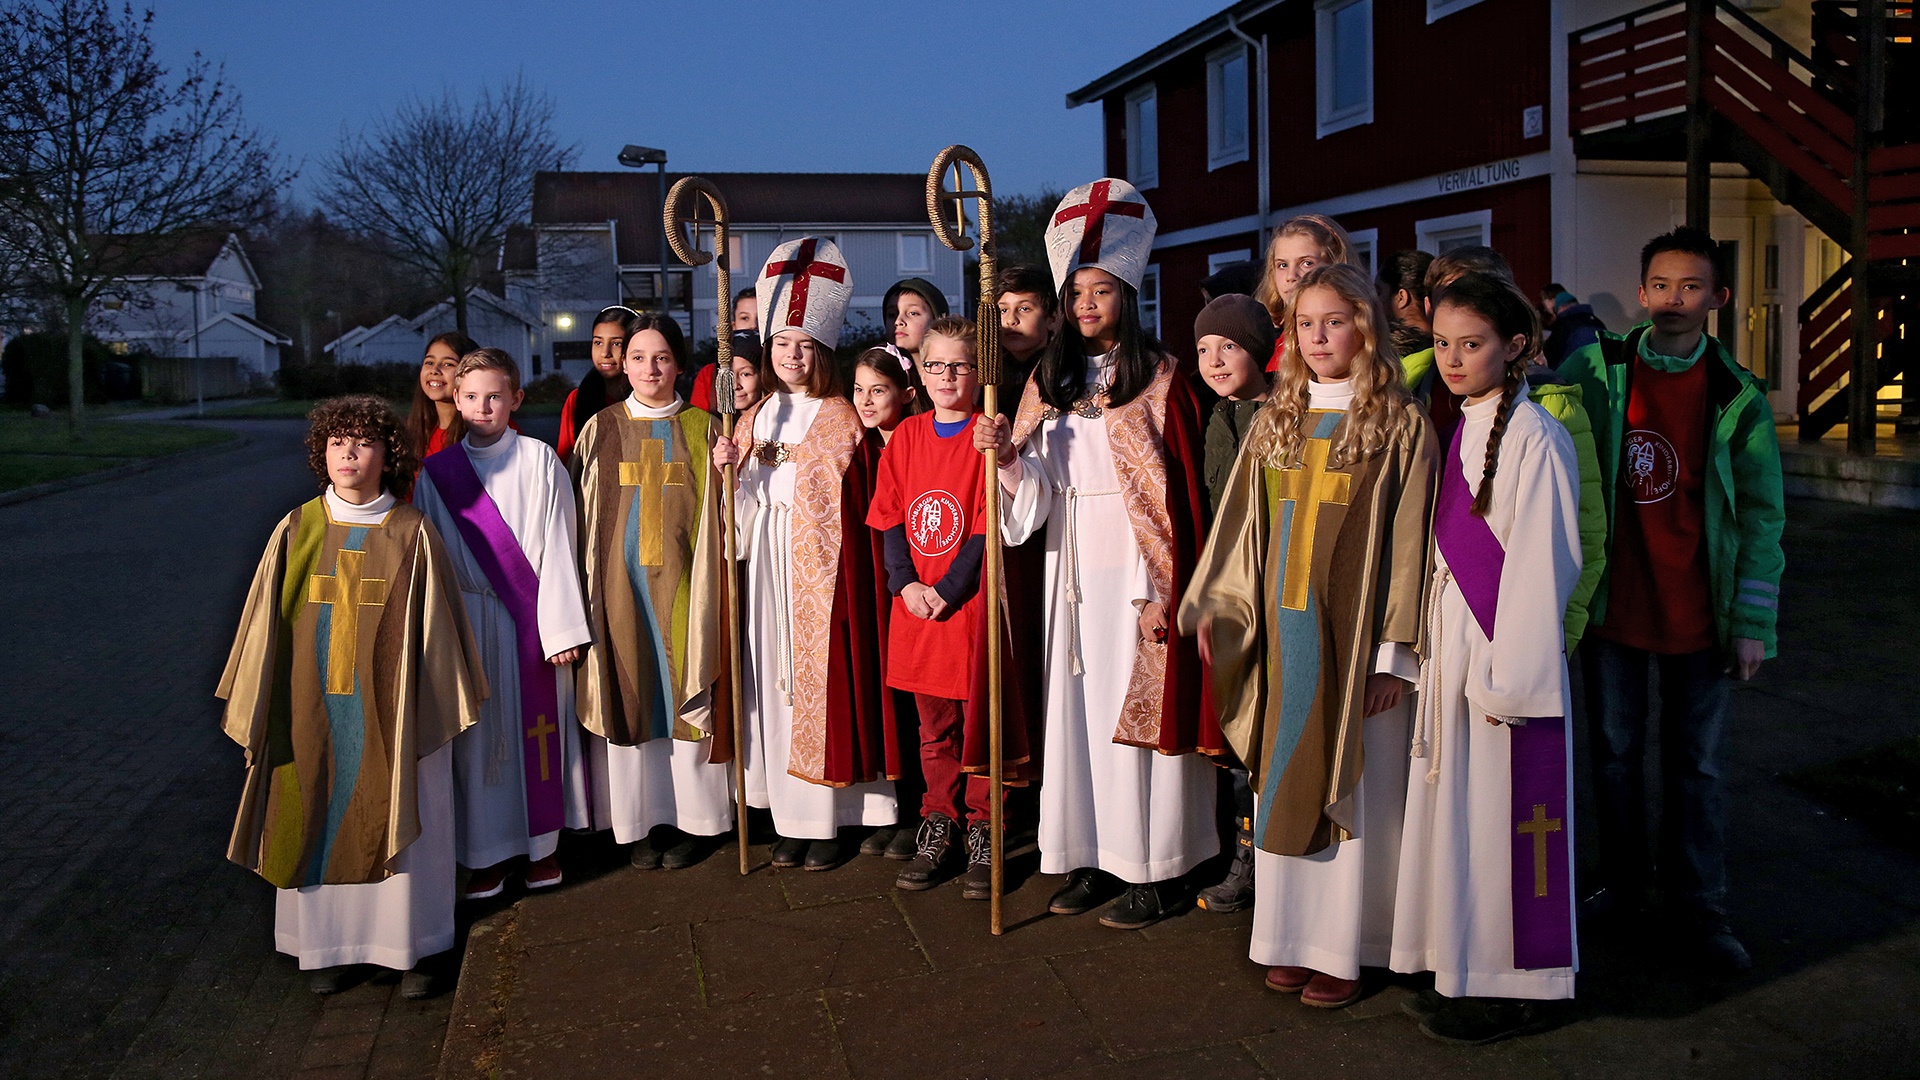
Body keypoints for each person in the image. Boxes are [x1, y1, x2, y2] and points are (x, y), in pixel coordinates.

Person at [1181, 264, 1434, 1006]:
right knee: (1282, 778)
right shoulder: (1276, 418)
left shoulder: (1398, 422)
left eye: (1336, 321)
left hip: (1357, 647)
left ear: (1367, 327)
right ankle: (1288, 935)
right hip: (1285, 636)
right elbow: (1239, 530)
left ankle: (1350, 945)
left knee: (1354, 788)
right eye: (1307, 324)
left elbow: (1411, 541)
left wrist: (1394, 655)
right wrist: (1225, 612)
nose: (1320, 337)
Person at [973, 178, 1222, 930]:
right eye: (1075, 291)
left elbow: (1181, 496)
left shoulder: (1164, 379)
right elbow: (1034, 495)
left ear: (1129, 294)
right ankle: (1089, 855)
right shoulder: (1048, 383)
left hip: (1139, 569)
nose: (1085, 305)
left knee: (1136, 716)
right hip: (1067, 564)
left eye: (1101, 290)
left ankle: (1156, 865)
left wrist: (1167, 587)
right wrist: (1006, 456)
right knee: (1077, 715)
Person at [1558, 227, 1785, 975]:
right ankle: (1622, 887)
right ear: (1643, 289)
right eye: (1660, 285)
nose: (1673, 300)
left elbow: (1761, 515)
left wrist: (1751, 623)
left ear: (1719, 299)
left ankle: (1701, 905)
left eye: (1692, 287)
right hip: (1617, 612)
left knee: (1699, 768)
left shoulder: (1737, 396)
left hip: (1700, 618)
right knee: (1615, 759)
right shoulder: (1597, 369)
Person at [218, 395, 486, 998]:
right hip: (309, 703)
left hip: (393, 710)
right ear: (322, 453)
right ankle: (326, 948)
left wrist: (425, 704)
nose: (348, 452)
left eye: (363, 442)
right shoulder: (296, 529)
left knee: (402, 799)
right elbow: (265, 629)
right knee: (312, 798)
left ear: (386, 454)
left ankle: (410, 948)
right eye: (337, 441)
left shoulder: (412, 532)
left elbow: (438, 638)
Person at [1391, 271, 1584, 1043]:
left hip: (1505, 658)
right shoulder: (1468, 420)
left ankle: (1518, 988)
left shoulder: (1537, 436)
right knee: (1465, 820)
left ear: (1515, 346)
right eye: (1442, 343)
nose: (1452, 358)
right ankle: (1464, 968)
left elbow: (1546, 561)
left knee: (1509, 825)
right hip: (1457, 646)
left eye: (1471, 344)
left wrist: (1515, 677)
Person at [709, 236, 900, 871]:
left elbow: (861, 508)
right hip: (765, 571)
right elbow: (735, 518)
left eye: (804, 345)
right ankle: (786, 814)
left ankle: (829, 817)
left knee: (818, 687)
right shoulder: (754, 415)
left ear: (823, 349)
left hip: (823, 581)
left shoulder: (845, 417)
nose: (792, 356)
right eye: (782, 344)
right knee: (771, 685)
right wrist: (727, 473)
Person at [413, 349, 592, 900]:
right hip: (467, 620)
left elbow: (562, 542)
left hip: (531, 620)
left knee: (539, 738)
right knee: (476, 743)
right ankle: (486, 857)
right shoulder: (439, 474)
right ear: (455, 401)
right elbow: (430, 556)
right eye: (470, 397)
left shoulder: (538, 460)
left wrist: (560, 629)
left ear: (515, 398)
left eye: (494, 396)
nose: (482, 407)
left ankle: (543, 850)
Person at [868, 316, 1031, 897]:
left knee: (980, 722)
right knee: (933, 728)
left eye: (960, 365)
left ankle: (988, 828)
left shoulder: (987, 435)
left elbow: (989, 525)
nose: (946, 375)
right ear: (920, 369)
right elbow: (889, 514)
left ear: (978, 371)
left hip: (967, 603)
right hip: (916, 604)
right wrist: (905, 584)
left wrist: (947, 590)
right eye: (935, 364)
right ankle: (939, 821)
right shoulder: (907, 436)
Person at [572, 312, 735, 871]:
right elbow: (582, 517)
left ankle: (699, 820)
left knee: (683, 696)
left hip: (688, 588)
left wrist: (732, 474)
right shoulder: (601, 429)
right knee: (633, 694)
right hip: (619, 593)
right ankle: (639, 823)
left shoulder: (708, 428)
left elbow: (730, 520)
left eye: (661, 357)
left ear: (680, 366)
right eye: (638, 357)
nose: (649, 368)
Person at [1184, 292, 1278, 917]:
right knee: (1237, 739)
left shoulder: (1281, 417)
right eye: (1204, 349)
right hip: (1229, 599)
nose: (1215, 360)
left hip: (1274, 594)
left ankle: (1274, 859)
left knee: (1273, 734)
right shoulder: (1216, 418)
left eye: (1229, 347)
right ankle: (1244, 856)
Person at [1254, 215, 1359, 372]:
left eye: (1306, 263)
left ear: (1336, 265)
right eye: (1282, 265)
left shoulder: (1357, 338)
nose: (1291, 276)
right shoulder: (1268, 348)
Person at [556, 307, 639, 462]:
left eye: (616, 343)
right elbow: (565, 459)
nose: (605, 353)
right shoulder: (578, 398)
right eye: (598, 342)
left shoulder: (647, 398)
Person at [405, 332, 479, 464]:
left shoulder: (489, 432)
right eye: (429, 362)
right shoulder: (415, 432)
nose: (434, 370)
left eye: (448, 364)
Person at [994, 263, 1061, 400]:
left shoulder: (1062, 372)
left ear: (1052, 319)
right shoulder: (991, 373)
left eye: (1024, 309)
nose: (1011, 320)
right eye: (1003, 310)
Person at [850, 347, 919, 444]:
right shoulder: (860, 447)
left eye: (877, 391)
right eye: (859, 389)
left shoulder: (918, 444)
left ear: (907, 395)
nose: (865, 401)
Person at [1378, 250, 1435, 358]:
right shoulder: (1447, 350)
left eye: (1378, 292)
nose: (1374, 301)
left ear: (1401, 297)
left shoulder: (1384, 356)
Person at [883, 277, 950, 368]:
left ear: (937, 321)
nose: (898, 321)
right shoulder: (876, 373)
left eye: (913, 313)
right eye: (892, 314)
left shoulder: (951, 375)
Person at [1540, 286, 1608, 369]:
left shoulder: (1562, 325)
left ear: (1561, 307)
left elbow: (1550, 356)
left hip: (1574, 375)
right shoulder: (1597, 322)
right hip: (1601, 373)